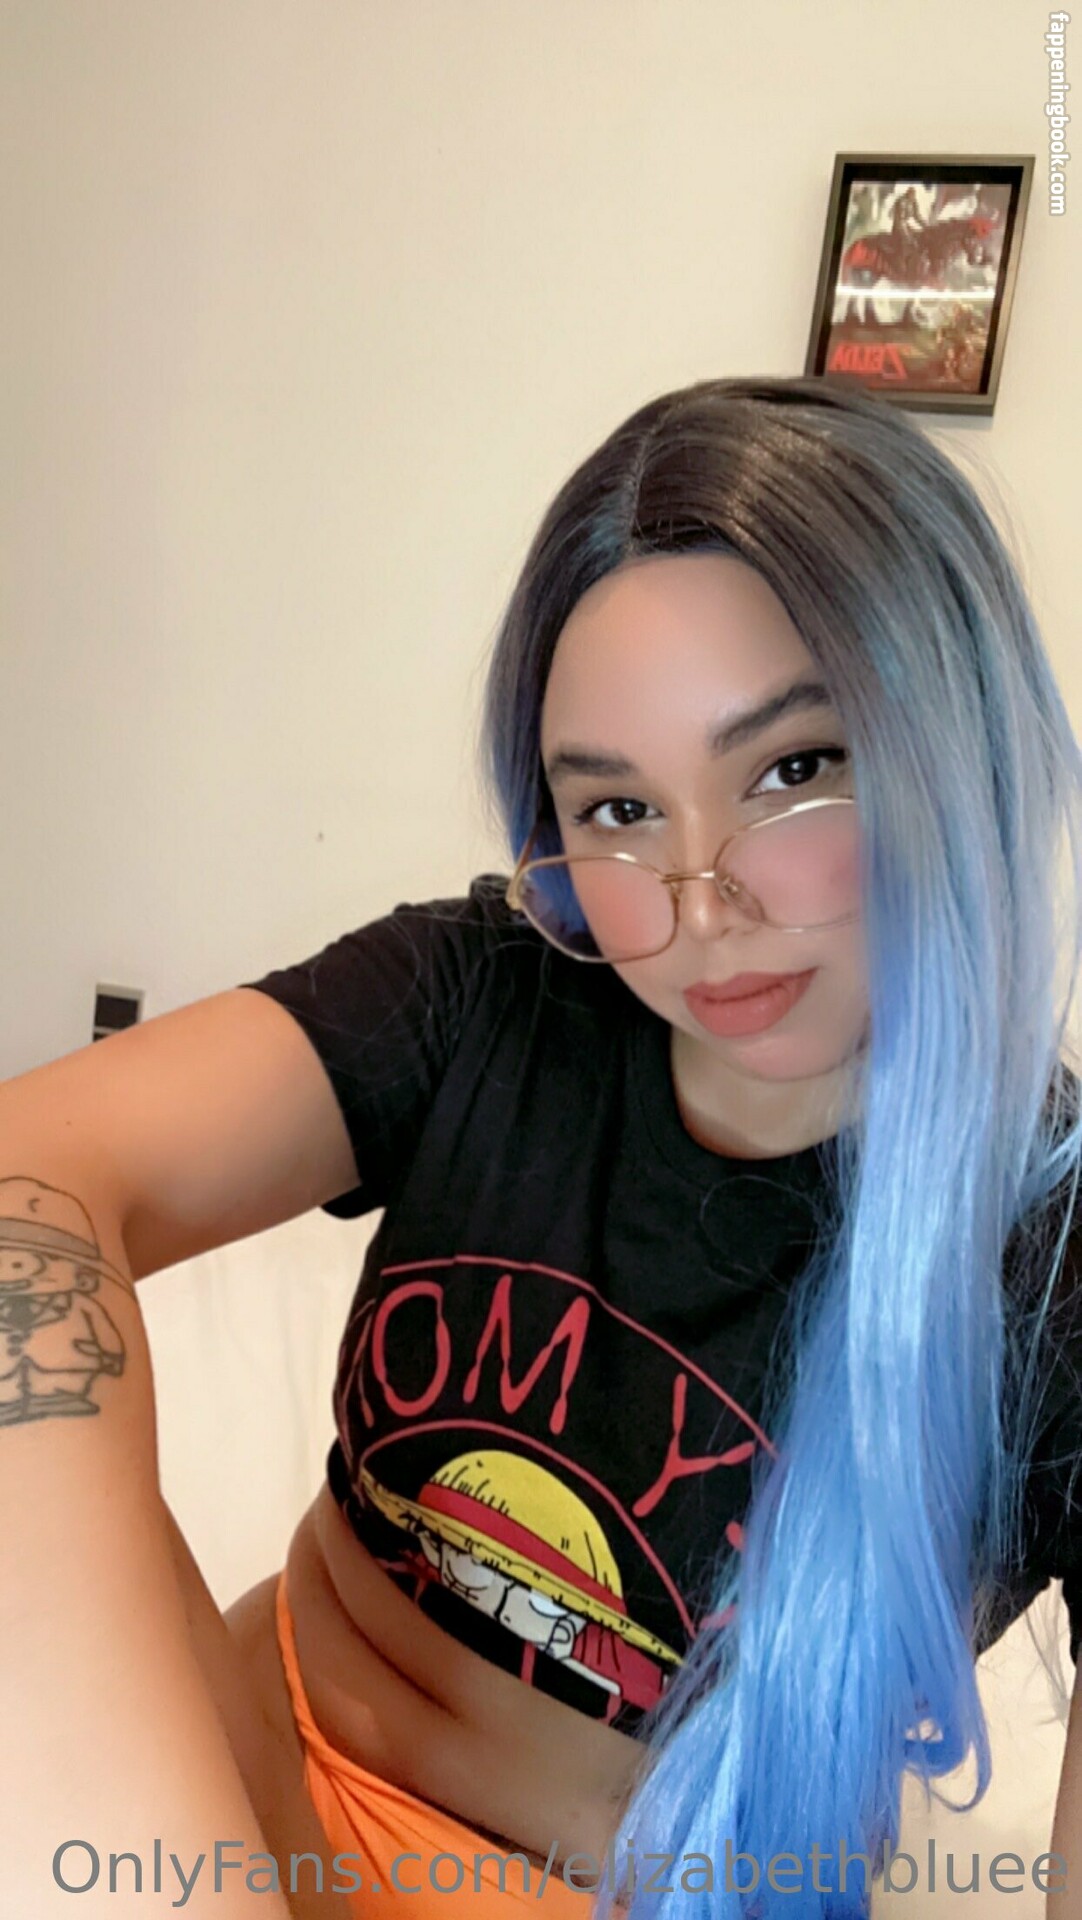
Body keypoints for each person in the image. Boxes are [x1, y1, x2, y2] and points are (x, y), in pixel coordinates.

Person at [3, 375, 1082, 1920]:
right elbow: (28, 1176)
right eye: (620, 807)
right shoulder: (493, 993)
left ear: (953, 741)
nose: (699, 904)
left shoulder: (1054, 1262)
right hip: (222, 1796)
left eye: (790, 770)